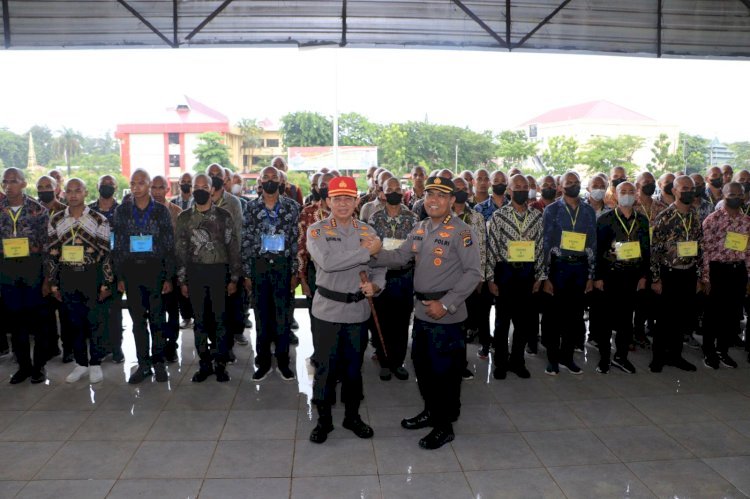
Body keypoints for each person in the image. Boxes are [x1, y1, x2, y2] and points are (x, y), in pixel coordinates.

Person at [371, 176, 481, 450]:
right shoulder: (420, 228)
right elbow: (399, 258)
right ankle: (431, 412)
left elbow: (473, 273)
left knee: (444, 372)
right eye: (430, 195)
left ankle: (444, 427)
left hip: (446, 314)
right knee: (423, 366)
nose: (434, 200)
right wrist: (373, 253)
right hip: (421, 312)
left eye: (441, 196)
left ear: (452, 200)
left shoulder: (462, 231)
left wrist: (446, 304)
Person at [306, 176, 385, 444]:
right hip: (327, 312)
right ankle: (323, 420)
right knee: (325, 369)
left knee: (353, 369)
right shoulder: (316, 230)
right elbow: (327, 262)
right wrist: (365, 253)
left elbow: (380, 266)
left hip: (357, 312)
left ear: (356, 201)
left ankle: (352, 417)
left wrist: (376, 285)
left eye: (348, 199)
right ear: (328, 201)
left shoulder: (368, 231)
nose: (342, 203)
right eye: (336, 198)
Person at [46, 178, 113, 384]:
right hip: (67, 275)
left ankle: (95, 363)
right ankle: (81, 363)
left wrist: (106, 282)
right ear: (64, 193)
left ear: (85, 193)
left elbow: (106, 254)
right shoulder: (56, 220)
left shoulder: (99, 219)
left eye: (78, 190)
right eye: (69, 191)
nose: (73, 194)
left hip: (91, 275)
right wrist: (54, 282)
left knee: (94, 321)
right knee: (73, 322)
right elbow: (52, 254)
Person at [175, 174, 240, 382]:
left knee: (221, 319)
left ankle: (220, 363)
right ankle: (204, 364)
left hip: (219, 273)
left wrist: (234, 278)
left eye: (205, 186)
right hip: (195, 273)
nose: (200, 190)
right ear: (192, 189)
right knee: (200, 321)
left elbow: (233, 248)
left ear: (212, 190)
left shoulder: (224, 216)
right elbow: (181, 252)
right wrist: (182, 280)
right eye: (197, 186)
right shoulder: (184, 218)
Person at [113, 169, 175, 384]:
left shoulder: (160, 211)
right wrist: (119, 275)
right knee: (138, 321)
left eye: (141, 183)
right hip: (131, 271)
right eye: (133, 183)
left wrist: (168, 276)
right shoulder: (122, 211)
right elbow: (118, 245)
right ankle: (143, 363)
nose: (136, 187)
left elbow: (169, 245)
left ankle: (159, 362)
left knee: (158, 319)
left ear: (149, 185)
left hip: (155, 270)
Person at [242, 166, 300, 381]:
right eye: (265, 177)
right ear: (259, 182)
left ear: (281, 182)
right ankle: (263, 361)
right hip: (260, 266)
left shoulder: (292, 207)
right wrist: (247, 273)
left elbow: (295, 241)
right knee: (262, 315)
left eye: (273, 177)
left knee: (283, 316)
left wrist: (295, 270)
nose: (269, 181)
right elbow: (246, 241)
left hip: (284, 266)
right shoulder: (250, 208)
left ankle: (284, 361)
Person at [486, 174, 543, 379]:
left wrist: (540, 277)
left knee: (524, 323)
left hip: (527, 273)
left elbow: (541, 248)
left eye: (524, 187)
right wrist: (490, 279)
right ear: (509, 190)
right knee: (502, 322)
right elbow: (491, 248)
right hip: (505, 273)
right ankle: (501, 363)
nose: (520, 190)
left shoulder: (537, 216)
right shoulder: (499, 216)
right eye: (516, 187)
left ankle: (517, 361)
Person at [541, 171, 596, 375]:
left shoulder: (589, 211)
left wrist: (591, 275)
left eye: (576, 182)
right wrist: (546, 276)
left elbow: (592, 243)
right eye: (568, 183)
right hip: (558, 268)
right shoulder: (551, 210)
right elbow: (545, 244)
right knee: (555, 317)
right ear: (560, 186)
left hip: (580, 268)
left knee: (574, 317)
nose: (573, 185)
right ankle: (553, 360)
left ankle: (567, 357)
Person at [593, 181, 650, 374]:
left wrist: (643, 275)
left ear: (636, 195)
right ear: (615, 196)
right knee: (605, 320)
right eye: (623, 192)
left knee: (626, 320)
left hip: (632, 276)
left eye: (631, 192)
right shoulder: (604, 219)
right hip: (609, 276)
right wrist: (598, 277)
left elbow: (645, 250)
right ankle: (604, 358)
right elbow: (598, 250)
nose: (627, 195)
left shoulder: (642, 220)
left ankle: (621, 356)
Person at [1, 168, 50, 384]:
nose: (8, 185)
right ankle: (24, 366)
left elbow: (48, 246)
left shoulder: (38, 211)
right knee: (15, 321)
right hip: (6, 269)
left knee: (37, 321)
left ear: (23, 184)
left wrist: (49, 278)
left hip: (32, 268)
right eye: (5, 182)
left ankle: (39, 367)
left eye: (13, 181)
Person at [367, 177, 419, 380]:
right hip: (381, 274)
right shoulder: (374, 218)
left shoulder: (413, 218)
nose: (395, 192)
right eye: (391, 189)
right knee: (381, 319)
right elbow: (370, 246)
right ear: (383, 192)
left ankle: (398, 362)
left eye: (398, 189)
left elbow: (416, 247)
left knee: (401, 320)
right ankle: (384, 361)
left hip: (404, 276)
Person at [650, 175, 702, 373]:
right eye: (684, 188)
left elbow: (700, 247)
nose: (688, 191)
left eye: (691, 188)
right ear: (674, 190)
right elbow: (655, 250)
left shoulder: (695, 215)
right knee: (664, 319)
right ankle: (658, 358)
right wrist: (655, 278)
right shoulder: (664, 216)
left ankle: (676, 356)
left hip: (688, 274)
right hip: (668, 273)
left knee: (681, 318)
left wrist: (698, 276)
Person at [700, 181, 749, 369]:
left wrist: (748, 277)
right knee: (713, 314)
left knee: (731, 314)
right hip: (717, 271)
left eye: (739, 195)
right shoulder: (712, 220)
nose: (736, 198)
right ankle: (709, 351)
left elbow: (749, 252)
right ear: (723, 195)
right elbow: (705, 251)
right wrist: (705, 278)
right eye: (732, 194)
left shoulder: (746, 221)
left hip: (738, 271)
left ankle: (723, 350)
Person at [206, 163, 248, 352]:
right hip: (205, 264)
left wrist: (235, 269)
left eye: (218, 175)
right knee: (209, 309)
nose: (214, 177)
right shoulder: (198, 200)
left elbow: (237, 235)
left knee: (229, 308)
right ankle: (213, 344)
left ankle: (227, 347)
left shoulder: (233, 202)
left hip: (227, 263)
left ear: (225, 180)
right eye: (211, 174)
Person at [453, 176, 489, 368]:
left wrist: (480, 277)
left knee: (465, 322)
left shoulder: (477, 217)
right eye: (456, 188)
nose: (460, 191)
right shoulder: (442, 215)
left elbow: (482, 248)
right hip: (446, 278)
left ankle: (462, 363)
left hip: (469, 277)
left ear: (469, 191)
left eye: (463, 188)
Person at [37, 175, 73, 362]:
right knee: (45, 312)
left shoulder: (66, 211)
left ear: (57, 188)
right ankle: (51, 347)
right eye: (40, 187)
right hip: (38, 269)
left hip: (62, 267)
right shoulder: (33, 210)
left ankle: (69, 349)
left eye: (47, 186)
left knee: (65, 311)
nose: (44, 190)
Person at [632, 171, 667, 347]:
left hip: (656, 259)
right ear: (637, 185)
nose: (650, 184)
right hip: (636, 257)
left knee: (649, 298)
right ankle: (632, 331)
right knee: (635, 296)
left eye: (653, 181)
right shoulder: (631, 206)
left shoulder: (661, 207)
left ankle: (644, 329)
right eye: (646, 182)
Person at [151, 175, 184, 362]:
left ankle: (171, 344)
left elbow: (181, 244)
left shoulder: (177, 212)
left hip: (172, 269)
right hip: (151, 269)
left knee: (172, 309)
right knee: (155, 310)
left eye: (160, 187)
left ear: (167, 190)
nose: (156, 191)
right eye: (153, 187)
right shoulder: (144, 212)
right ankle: (158, 344)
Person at [298, 172, 336, 314]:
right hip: (315, 270)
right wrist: (302, 279)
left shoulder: (347, 212)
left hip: (341, 270)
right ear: (318, 189)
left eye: (331, 184)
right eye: (323, 185)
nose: (327, 188)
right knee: (316, 316)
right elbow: (301, 247)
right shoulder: (308, 212)